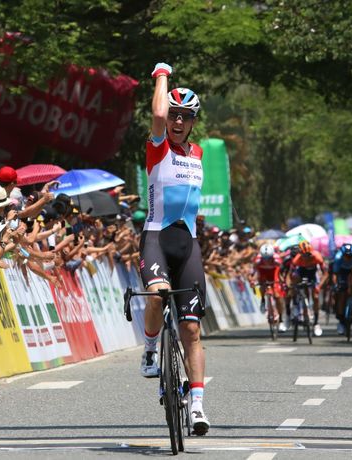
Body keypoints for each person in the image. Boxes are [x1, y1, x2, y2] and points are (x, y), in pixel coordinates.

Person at [137, 62, 209, 435]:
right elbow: (157, 112)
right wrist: (161, 74)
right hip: (156, 239)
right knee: (156, 297)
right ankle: (150, 349)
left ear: (194, 122)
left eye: (186, 117)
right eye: (175, 115)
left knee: (192, 329)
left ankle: (197, 405)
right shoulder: (158, 146)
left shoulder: (197, 154)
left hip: (189, 245)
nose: (177, 121)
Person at [290, 241, 326, 337]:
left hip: (313, 274)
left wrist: (319, 286)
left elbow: (325, 273)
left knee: (315, 296)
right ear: (300, 253)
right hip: (301, 272)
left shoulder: (317, 257)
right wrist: (294, 286)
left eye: (308, 255)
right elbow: (291, 274)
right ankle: (297, 303)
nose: (306, 257)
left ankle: (316, 323)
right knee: (296, 282)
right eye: (304, 255)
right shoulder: (296, 260)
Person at [254, 243, 286, 332]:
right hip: (263, 273)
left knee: (277, 296)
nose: (267, 260)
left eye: (269, 258)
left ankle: (281, 321)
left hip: (273, 273)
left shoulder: (277, 259)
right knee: (261, 285)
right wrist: (253, 280)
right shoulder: (258, 260)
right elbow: (255, 271)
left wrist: (282, 281)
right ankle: (263, 300)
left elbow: (280, 272)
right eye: (265, 258)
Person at [332, 243, 352, 336]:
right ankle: (341, 320)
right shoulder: (338, 258)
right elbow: (335, 274)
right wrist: (336, 285)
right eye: (346, 255)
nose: (348, 257)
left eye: (350, 255)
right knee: (341, 295)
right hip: (342, 273)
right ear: (342, 254)